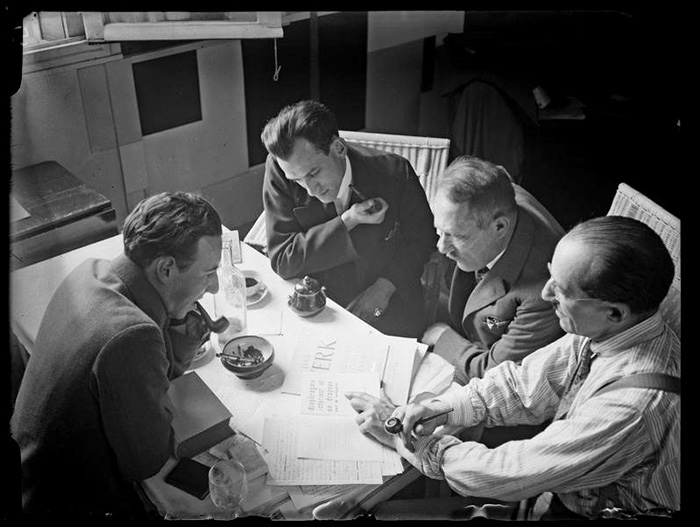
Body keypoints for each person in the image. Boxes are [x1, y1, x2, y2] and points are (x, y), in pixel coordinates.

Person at [346, 216, 680, 520]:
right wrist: (444, 408)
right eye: (551, 275)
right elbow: (522, 385)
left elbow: (509, 472)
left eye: (562, 291)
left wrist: (409, 442)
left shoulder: (632, 407)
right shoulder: (607, 329)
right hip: (563, 492)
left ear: (615, 312)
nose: (546, 292)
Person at [11, 192, 223, 518]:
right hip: (66, 504)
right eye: (209, 272)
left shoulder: (91, 271)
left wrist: (177, 320)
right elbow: (147, 461)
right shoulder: (132, 337)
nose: (215, 287)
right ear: (166, 269)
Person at [260, 100, 438, 338]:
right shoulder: (281, 167)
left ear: (339, 148)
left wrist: (384, 288)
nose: (310, 190)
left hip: (390, 297)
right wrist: (346, 222)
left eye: (314, 173)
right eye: (297, 180)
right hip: (319, 302)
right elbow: (282, 258)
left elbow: (423, 239)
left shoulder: (395, 172)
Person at [422, 155, 565, 386]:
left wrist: (441, 337)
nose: (441, 247)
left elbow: (495, 374)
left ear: (500, 226)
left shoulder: (544, 293)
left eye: (455, 236)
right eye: (440, 231)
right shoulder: (495, 194)